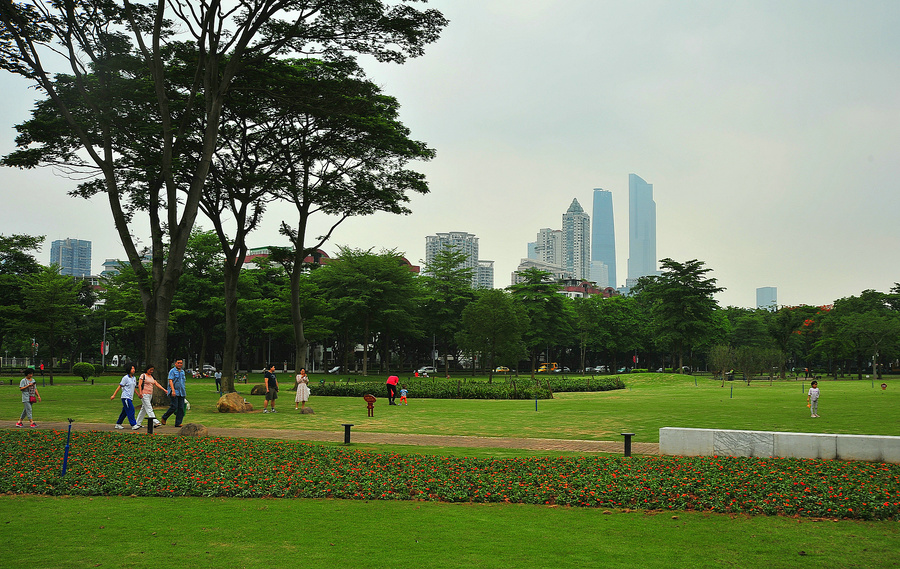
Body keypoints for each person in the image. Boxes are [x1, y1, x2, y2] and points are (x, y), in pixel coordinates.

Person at [110, 363, 139, 430]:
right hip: (126, 397)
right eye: (132, 368)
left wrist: (138, 394)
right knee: (131, 410)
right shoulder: (125, 378)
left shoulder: (134, 378)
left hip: (130, 397)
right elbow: (120, 386)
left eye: (134, 368)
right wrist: (114, 395)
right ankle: (133, 424)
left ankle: (118, 424)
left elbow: (133, 387)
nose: (133, 370)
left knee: (125, 412)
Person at [161, 359, 187, 427]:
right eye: (178, 363)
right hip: (174, 392)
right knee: (174, 406)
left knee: (181, 408)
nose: (180, 364)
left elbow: (183, 382)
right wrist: (173, 390)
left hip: (181, 392)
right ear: (175, 363)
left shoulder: (182, 372)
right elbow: (170, 381)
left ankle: (178, 423)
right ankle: (164, 417)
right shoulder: (172, 371)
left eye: (181, 363)